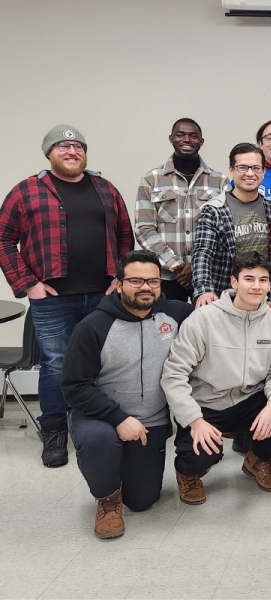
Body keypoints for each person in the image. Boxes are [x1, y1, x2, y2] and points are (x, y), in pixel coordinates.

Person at [0, 124, 134, 468]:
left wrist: (118, 278)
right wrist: (29, 284)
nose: (72, 152)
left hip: (102, 296)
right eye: (62, 147)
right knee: (56, 364)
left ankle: (99, 424)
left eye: (78, 147)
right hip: (52, 300)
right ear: (49, 153)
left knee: (103, 363)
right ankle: (54, 430)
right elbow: (3, 239)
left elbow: (125, 235)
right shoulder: (26, 191)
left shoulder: (105, 188)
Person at [60, 250, 193, 539]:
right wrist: (119, 418)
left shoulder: (178, 314)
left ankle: (121, 470)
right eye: (136, 281)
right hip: (99, 417)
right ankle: (107, 500)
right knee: (99, 441)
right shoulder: (93, 327)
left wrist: (264, 305)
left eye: (153, 281)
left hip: (150, 421)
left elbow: (223, 315)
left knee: (143, 501)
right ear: (119, 284)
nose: (146, 287)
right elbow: (74, 386)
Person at [162, 252, 271, 505]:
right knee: (201, 454)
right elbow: (174, 374)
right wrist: (195, 421)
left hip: (249, 399)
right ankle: (188, 473)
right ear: (234, 282)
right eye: (249, 279)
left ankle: (256, 460)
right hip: (207, 404)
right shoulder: (204, 318)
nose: (257, 286)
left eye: (263, 280)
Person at [134, 118, 229, 303]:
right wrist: (176, 265)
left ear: (201, 141)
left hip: (207, 277)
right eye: (180, 135)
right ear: (171, 139)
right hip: (166, 277)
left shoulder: (220, 182)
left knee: (207, 322)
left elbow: (225, 230)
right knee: (165, 322)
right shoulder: (151, 180)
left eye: (193, 136)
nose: (186, 140)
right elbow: (144, 229)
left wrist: (197, 265)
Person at [192, 143, 271, 307]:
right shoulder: (214, 210)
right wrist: (204, 290)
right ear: (231, 171)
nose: (250, 173)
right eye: (242, 167)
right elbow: (203, 254)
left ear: (264, 172)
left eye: (256, 168)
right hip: (224, 300)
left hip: (263, 301)